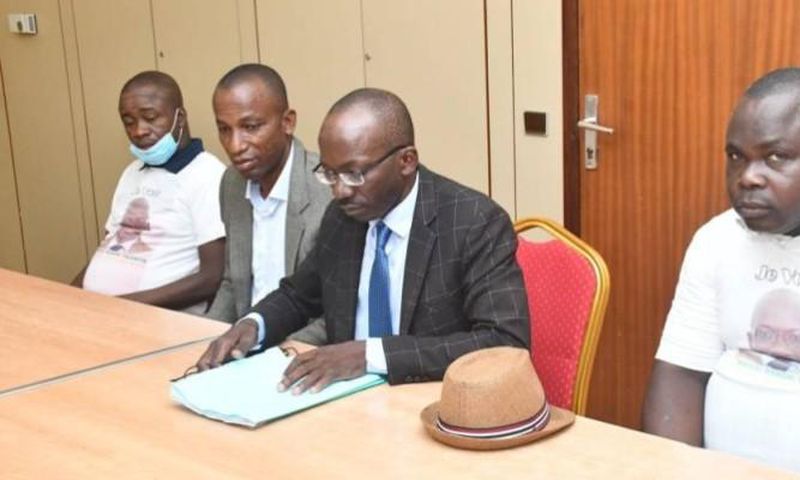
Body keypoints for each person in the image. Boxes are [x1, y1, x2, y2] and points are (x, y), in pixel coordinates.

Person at [196, 88, 529, 391]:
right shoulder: (343, 218)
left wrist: (369, 355)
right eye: (329, 173)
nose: (340, 190)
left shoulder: (472, 221)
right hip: (342, 399)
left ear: (406, 161)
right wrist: (254, 325)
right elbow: (299, 296)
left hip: (430, 400)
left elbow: (504, 342)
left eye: (354, 174)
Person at [642, 67, 800, 472]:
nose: (748, 178)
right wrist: (672, 470)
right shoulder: (716, 241)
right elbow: (680, 374)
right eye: (736, 157)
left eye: (775, 157)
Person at [72, 71, 225, 315]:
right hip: (101, 313)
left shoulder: (208, 174)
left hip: (156, 320)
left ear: (180, 118)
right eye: (128, 121)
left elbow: (212, 278)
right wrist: (67, 297)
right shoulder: (132, 172)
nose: (138, 131)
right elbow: (109, 248)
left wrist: (120, 307)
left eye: (150, 118)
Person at [206, 64, 329, 344]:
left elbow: (333, 312)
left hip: (300, 346)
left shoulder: (327, 192)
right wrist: (201, 339)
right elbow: (232, 284)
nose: (235, 145)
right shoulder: (232, 183)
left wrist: (276, 354)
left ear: (288, 122)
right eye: (224, 129)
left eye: (250, 127)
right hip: (244, 341)